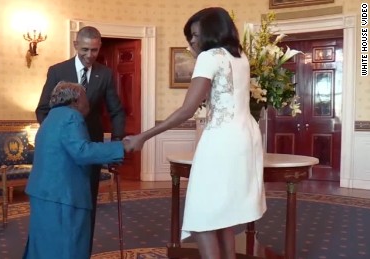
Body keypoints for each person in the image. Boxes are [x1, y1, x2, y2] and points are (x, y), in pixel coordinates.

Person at [125, 7, 266, 259]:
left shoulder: (210, 57)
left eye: (195, 34)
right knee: (224, 212)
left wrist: (143, 136)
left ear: (212, 32)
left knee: (201, 213)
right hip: (245, 137)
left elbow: (187, 110)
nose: (191, 40)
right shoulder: (240, 57)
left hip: (221, 140)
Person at [35, 26, 125, 253]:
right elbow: (42, 109)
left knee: (87, 202)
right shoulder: (57, 71)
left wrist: (116, 140)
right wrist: (55, 138)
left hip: (90, 148)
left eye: (94, 50)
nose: (89, 55)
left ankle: (82, 250)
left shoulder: (104, 74)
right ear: (76, 45)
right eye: (85, 49)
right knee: (59, 203)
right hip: (62, 153)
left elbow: (116, 111)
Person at [24, 81, 129, 259]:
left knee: (44, 245)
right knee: (68, 246)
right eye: (85, 98)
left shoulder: (51, 117)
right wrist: (120, 148)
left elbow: (68, 151)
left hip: (43, 192)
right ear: (76, 100)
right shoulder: (71, 117)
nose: (88, 102)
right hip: (63, 195)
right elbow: (82, 152)